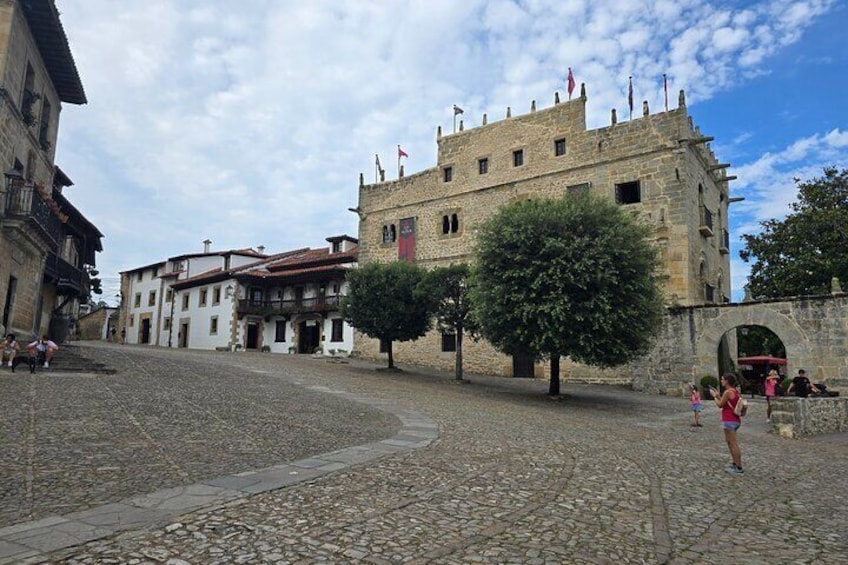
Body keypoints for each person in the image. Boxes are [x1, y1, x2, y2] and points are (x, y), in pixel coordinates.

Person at [711, 373, 744, 475]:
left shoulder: (727, 392)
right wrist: (718, 395)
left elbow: (720, 405)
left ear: (727, 381)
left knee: (733, 443)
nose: (721, 381)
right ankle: (735, 463)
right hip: (735, 419)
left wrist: (714, 397)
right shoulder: (735, 391)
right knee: (729, 442)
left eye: (722, 379)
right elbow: (726, 402)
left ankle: (738, 467)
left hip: (729, 420)